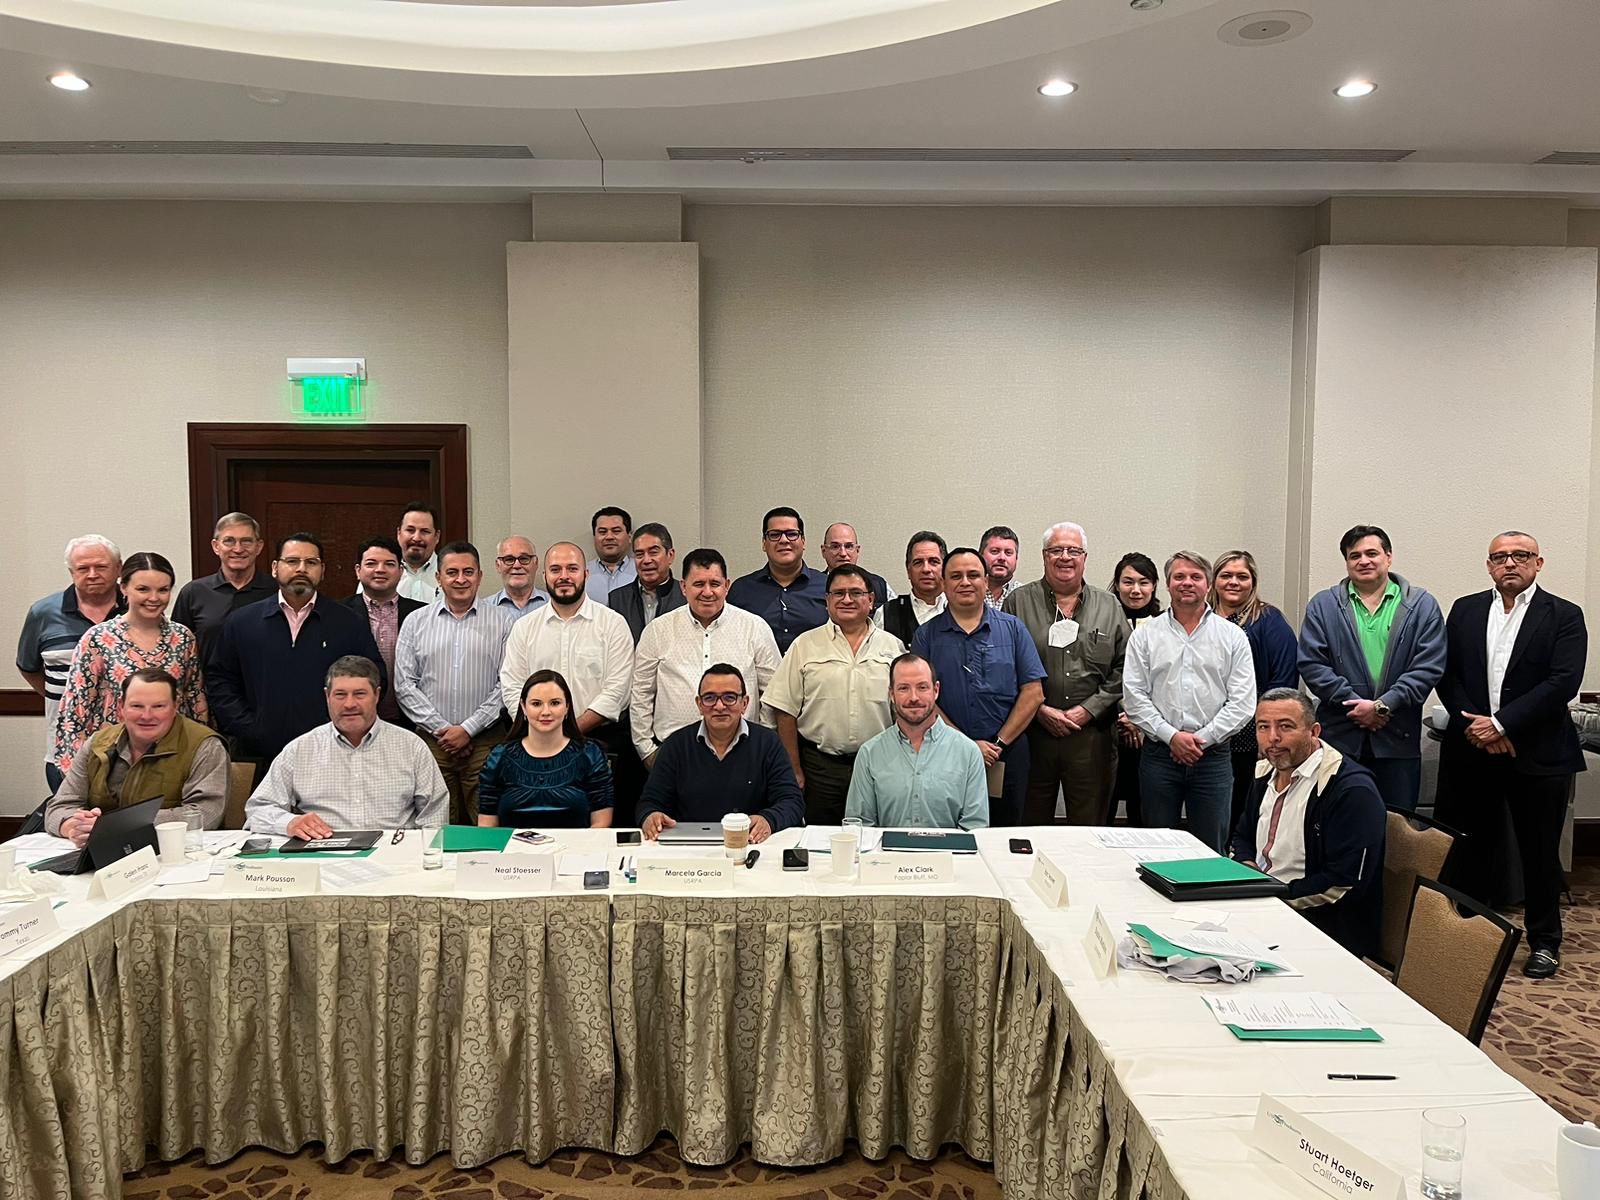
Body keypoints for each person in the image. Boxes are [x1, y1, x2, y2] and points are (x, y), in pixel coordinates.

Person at [1435, 532, 1587, 979]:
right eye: (1500, 557)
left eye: (1520, 555)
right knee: (1470, 847)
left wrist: (1501, 724)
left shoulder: (1564, 615)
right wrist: (1477, 726)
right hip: (1473, 750)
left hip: (1537, 752)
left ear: (1538, 563)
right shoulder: (1465, 609)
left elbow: (1563, 682)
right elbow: (1447, 674)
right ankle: (1469, 936)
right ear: (1489, 566)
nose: (1509, 563)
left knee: (1539, 853)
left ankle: (1544, 942)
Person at [1298, 525, 1446, 812]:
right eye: (1355, 556)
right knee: (1337, 821)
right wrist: (1356, 705)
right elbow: (1312, 664)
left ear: (1388, 557)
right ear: (1346, 562)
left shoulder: (1421, 605)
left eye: (1372, 553)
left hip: (1397, 739)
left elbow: (1429, 666)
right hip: (1339, 739)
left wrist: (1383, 706)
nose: (1363, 561)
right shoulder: (1323, 605)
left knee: (1396, 826)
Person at [1229, 689, 1386, 959]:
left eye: (1285, 727)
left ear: (1314, 732)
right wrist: (1247, 871)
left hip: (1319, 927)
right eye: (1263, 727)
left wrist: (1270, 897)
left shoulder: (1351, 790)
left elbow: (1343, 882)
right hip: (1261, 907)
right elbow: (1241, 837)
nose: (1272, 738)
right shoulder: (1265, 770)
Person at [207, 533, 384, 764]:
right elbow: (220, 679)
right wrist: (248, 726)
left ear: (322, 570)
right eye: (292, 561)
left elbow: (374, 677)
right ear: (275, 568)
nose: (301, 569)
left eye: (311, 563)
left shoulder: (348, 622)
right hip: (258, 752)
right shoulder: (242, 621)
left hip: (331, 752)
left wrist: (343, 725)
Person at [1122, 552, 1255, 852]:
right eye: (1179, 577)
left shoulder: (1233, 636)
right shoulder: (1145, 635)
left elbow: (1243, 703)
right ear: (1167, 584)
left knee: (1211, 849)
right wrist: (1172, 737)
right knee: (1157, 848)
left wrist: (1200, 740)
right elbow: (1134, 696)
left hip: (1213, 758)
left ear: (1208, 584)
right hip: (1159, 756)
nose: (1187, 583)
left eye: (1195, 577)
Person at [498, 542, 636, 818]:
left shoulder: (613, 624)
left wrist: (568, 732)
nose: (564, 576)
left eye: (572, 569)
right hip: (535, 748)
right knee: (541, 826)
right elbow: (512, 686)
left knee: (600, 826)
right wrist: (541, 730)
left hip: (598, 744)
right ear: (545, 575)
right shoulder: (525, 628)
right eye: (555, 569)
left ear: (585, 574)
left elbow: (618, 690)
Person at [1004, 523, 1128, 825]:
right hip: (1032, 735)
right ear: (1044, 556)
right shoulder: (1018, 602)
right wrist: (1039, 710)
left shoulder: (1109, 605)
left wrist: (1089, 710)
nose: (1065, 557)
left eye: (1073, 550)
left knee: (1089, 830)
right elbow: (1004, 666)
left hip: (1092, 738)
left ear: (1084, 557)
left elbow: (1126, 667)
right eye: (1056, 550)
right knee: (1028, 828)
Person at [912, 547, 1044, 827]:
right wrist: (967, 746)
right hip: (944, 751)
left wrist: (998, 744)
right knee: (947, 828)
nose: (965, 582)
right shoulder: (926, 636)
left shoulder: (1013, 629)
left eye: (973, 575)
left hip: (1005, 754)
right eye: (955, 576)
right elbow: (922, 699)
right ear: (943, 583)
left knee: (1003, 832)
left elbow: (1033, 693)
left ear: (985, 581)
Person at [244, 656, 448, 837]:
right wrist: (289, 823)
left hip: (395, 855)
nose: (349, 704)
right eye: (340, 695)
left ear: (376, 695)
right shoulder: (300, 750)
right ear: (327, 696)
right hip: (322, 855)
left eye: (359, 694)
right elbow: (258, 810)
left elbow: (435, 816)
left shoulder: (411, 747)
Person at [765, 564, 905, 824]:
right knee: (822, 840)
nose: (847, 599)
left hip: (881, 763)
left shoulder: (892, 647)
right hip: (820, 769)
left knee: (876, 836)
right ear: (827, 601)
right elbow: (784, 710)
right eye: (838, 593)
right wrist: (794, 769)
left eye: (856, 593)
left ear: (871, 600)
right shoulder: (805, 645)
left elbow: (903, 711)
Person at [393, 541, 517, 824]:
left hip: (486, 742)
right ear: (439, 577)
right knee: (437, 824)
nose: (461, 579)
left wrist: (468, 729)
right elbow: (405, 684)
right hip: (432, 743)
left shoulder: (504, 621)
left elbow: (507, 683)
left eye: (468, 572)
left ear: (480, 576)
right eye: (452, 572)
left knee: (487, 823)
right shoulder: (415, 622)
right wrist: (444, 730)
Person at [52, 552, 206, 775]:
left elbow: (196, 701)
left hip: (172, 758)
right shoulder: (98, 639)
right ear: (123, 588)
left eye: (163, 590)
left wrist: (202, 754)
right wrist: (77, 775)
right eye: (143, 589)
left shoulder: (182, 638)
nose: (154, 598)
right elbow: (75, 711)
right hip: (111, 760)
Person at [630, 548, 781, 765]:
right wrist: (647, 751)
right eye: (699, 584)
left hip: (743, 753)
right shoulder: (657, 631)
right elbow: (641, 695)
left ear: (727, 586)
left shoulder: (754, 628)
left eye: (715, 584)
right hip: (674, 755)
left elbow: (773, 693)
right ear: (684, 587)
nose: (707, 592)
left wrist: (761, 744)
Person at [46, 668, 229, 843]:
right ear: (121, 707)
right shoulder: (97, 743)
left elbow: (206, 814)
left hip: (174, 852)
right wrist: (75, 828)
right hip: (100, 852)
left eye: (158, 706)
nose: (147, 716)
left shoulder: (205, 746)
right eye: (137, 706)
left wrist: (116, 826)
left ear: (175, 706)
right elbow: (59, 808)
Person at [637, 664, 804, 841]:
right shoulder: (676, 745)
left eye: (729, 697)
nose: (719, 706)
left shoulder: (768, 743)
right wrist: (650, 816)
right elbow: (649, 802)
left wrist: (769, 820)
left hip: (751, 845)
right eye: (709, 698)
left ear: (744, 703)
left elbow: (792, 801)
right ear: (699, 704)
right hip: (689, 846)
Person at [17, 533, 125, 791]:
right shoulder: (43, 613)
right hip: (64, 750)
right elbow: (29, 668)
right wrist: (68, 698)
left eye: (101, 567)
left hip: (128, 750)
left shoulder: (138, 608)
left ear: (119, 568)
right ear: (71, 572)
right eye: (83, 568)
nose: (92, 574)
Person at [1209, 550, 1300, 833]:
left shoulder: (1269, 620)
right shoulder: (1200, 617)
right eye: (1226, 575)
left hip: (1249, 737)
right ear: (1214, 581)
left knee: (1241, 809)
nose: (1233, 582)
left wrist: (1268, 730)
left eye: (1242, 576)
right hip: (1204, 734)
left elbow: (1283, 680)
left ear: (1253, 581)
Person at [845, 654, 988, 830]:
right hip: (886, 849)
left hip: (950, 849)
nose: (914, 697)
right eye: (904, 688)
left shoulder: (968, 752)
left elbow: (974, 828)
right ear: (891, 694)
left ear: (936, 690)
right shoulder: (869, 753)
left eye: (922, 687)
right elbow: (860, 827)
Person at [479, 669, 614, 830]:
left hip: (577, 846)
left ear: (567, 707)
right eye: (536, 704)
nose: (546, 712)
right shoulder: (499, 757)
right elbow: (487, 825)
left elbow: (601, 823)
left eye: (555, 703)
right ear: (523, 707)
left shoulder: (590, 754)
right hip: (512, 846)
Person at [171, 512, 275, 670]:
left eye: (246, 541)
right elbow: (178, 648)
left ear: (258, 547)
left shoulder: (276, 591)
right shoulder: (193, 592)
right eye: (229, 541)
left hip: (262, 684)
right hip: (207, 685)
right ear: (216, 546)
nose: (238, 549)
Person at [343, 535, 425, 728]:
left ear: (401, 571)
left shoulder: (421, 614)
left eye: (389, 564)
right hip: (355, 718)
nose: (380, 570)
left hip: (412, 720)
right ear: (358, 570)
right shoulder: (339, 614)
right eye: (371, 563)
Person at [727, 507, 829, 654]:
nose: (784, 540)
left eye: (792, 534)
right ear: (764, 543)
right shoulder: (741, 590)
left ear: (803, 542)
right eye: (774, 535)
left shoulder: (827, 586)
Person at [1110, 552, 1161, 825]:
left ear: (1154, 586)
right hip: (1109, 725)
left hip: (1150, 732)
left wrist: (1138, 719)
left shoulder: (1165, 624)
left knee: (1143, 809)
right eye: (1128, 582)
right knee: (1103, 806)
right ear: (1117, 585)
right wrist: (1123, 716)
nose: (1136, 590)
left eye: (1144, 582)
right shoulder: (1102, 620)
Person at [609, 522, 684, 644]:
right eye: (639, 554)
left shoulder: (686, 597)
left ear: (670, 555)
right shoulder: (617, 599)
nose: (646, 560)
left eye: (653, 552)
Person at [881, 531, 947, 646]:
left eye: (933, 562)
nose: (926, 569)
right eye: (918, 562)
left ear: (946, 568)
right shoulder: (886, 614)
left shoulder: (962, 610)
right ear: (908, 570)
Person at [820, 522, 895, 613]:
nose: (843, 553)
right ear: (824, 551)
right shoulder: (813, 586)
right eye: (835, 546)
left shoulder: (879, 585)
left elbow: (895, 618)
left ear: (857, 550)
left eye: (849, 546)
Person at [488, 535, 550, 616]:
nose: (517, 565)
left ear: (536, 563)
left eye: (524, 558)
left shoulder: (553, 605)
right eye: (509, 559)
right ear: (498, 565)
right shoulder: (485, 609)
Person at [394, 503, 443, 602]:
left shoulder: (449, 574)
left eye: (425, 531)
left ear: (437, 536)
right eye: (410, 530)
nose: (416, 538)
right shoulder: (384, 574)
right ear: (399, 533)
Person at [586, 506, 637, 601]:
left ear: (630, 537)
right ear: (594, 537)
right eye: (602, 532)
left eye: (616, 531)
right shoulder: (581, 574)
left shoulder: (641, 571)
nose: (609, 537)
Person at [980, 525, 1022, 610]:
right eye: (995, 551)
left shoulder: (1025, 596)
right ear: (980, 555)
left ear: (1016, 558)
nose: (1002, 558)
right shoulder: (968, 591)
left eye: (1008, 553)